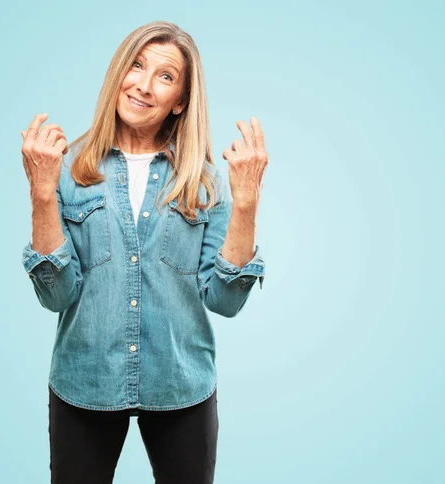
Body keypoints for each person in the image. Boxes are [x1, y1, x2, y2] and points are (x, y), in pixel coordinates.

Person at [20, 20, 268, 484]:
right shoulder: (67, 170)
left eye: (166, 76)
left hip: (181, 387)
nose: (145, 85)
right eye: (137, 65)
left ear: (180, 102)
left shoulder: (206, 183)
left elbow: (226, 301)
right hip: (84, 382)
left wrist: (247, 203)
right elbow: (55, 296)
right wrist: (40, 193)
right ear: (119, 72)